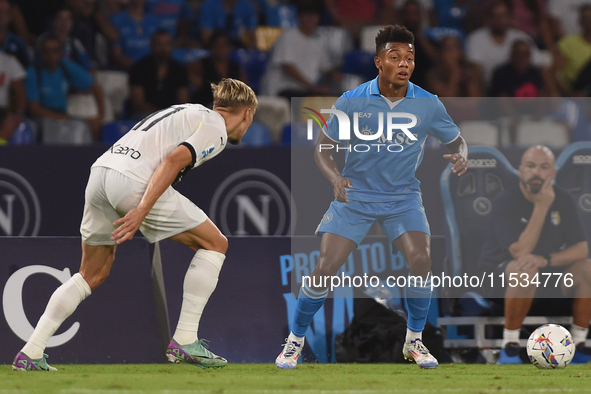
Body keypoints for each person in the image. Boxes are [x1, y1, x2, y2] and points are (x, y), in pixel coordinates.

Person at [12, 77, 258, 371]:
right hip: (133, 182)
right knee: (215, 243)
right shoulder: (216, 128)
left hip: (101, 173)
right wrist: (142, 208)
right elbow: (172, 161)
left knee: (92, 272)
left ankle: (31, 351)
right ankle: (185, 340)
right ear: (247, 113)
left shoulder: (187, 110)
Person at [275, 25, 468, 370]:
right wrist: (335, 177)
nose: (404, 63)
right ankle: (294, 341)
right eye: (395, 57)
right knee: (325, 268)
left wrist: (461, 154)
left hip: (403, 198)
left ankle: (414, 341)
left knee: (421, 261)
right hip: (356, 196)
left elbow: (456, 141)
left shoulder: (428, 103)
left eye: (409, 57)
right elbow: (323, 149)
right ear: (379, 62)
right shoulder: (352, 100)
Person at [479, 145, 591, 365]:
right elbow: (521, 252)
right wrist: (542, 206)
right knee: (525, 268)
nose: (536, 172)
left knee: (587, 267)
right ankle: (509, 346)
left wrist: (547, 260)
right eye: (530, 166)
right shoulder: (506, 201)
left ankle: (578, 344)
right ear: (521, 170)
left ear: (553, 173)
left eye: (543, 167)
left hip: (545, 273)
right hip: (500, 278)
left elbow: (582, 249)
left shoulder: (564, 199)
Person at [25, 34, 105, 141]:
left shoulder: (66, 67)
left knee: (86, 127)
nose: (51, 55)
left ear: (60, 53)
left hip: (63, 115)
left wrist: (100, 116)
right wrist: (61, 118)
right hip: (41, 118)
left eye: (55, 51)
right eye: (47, 51)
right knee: (50, 127)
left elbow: (95, 87)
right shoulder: (34, 72)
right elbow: (34, 109)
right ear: (41, 53)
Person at [128, 29, 189, 118]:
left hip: (172, 116)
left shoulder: (179, 69)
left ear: (172, 46)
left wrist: (169, 115)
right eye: (159, 44)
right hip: (145, 115)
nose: (163, 48)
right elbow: (138, 102)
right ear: (151, 45)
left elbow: (183, 100)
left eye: (167, 44)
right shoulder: (139, 68)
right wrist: (160, 115)